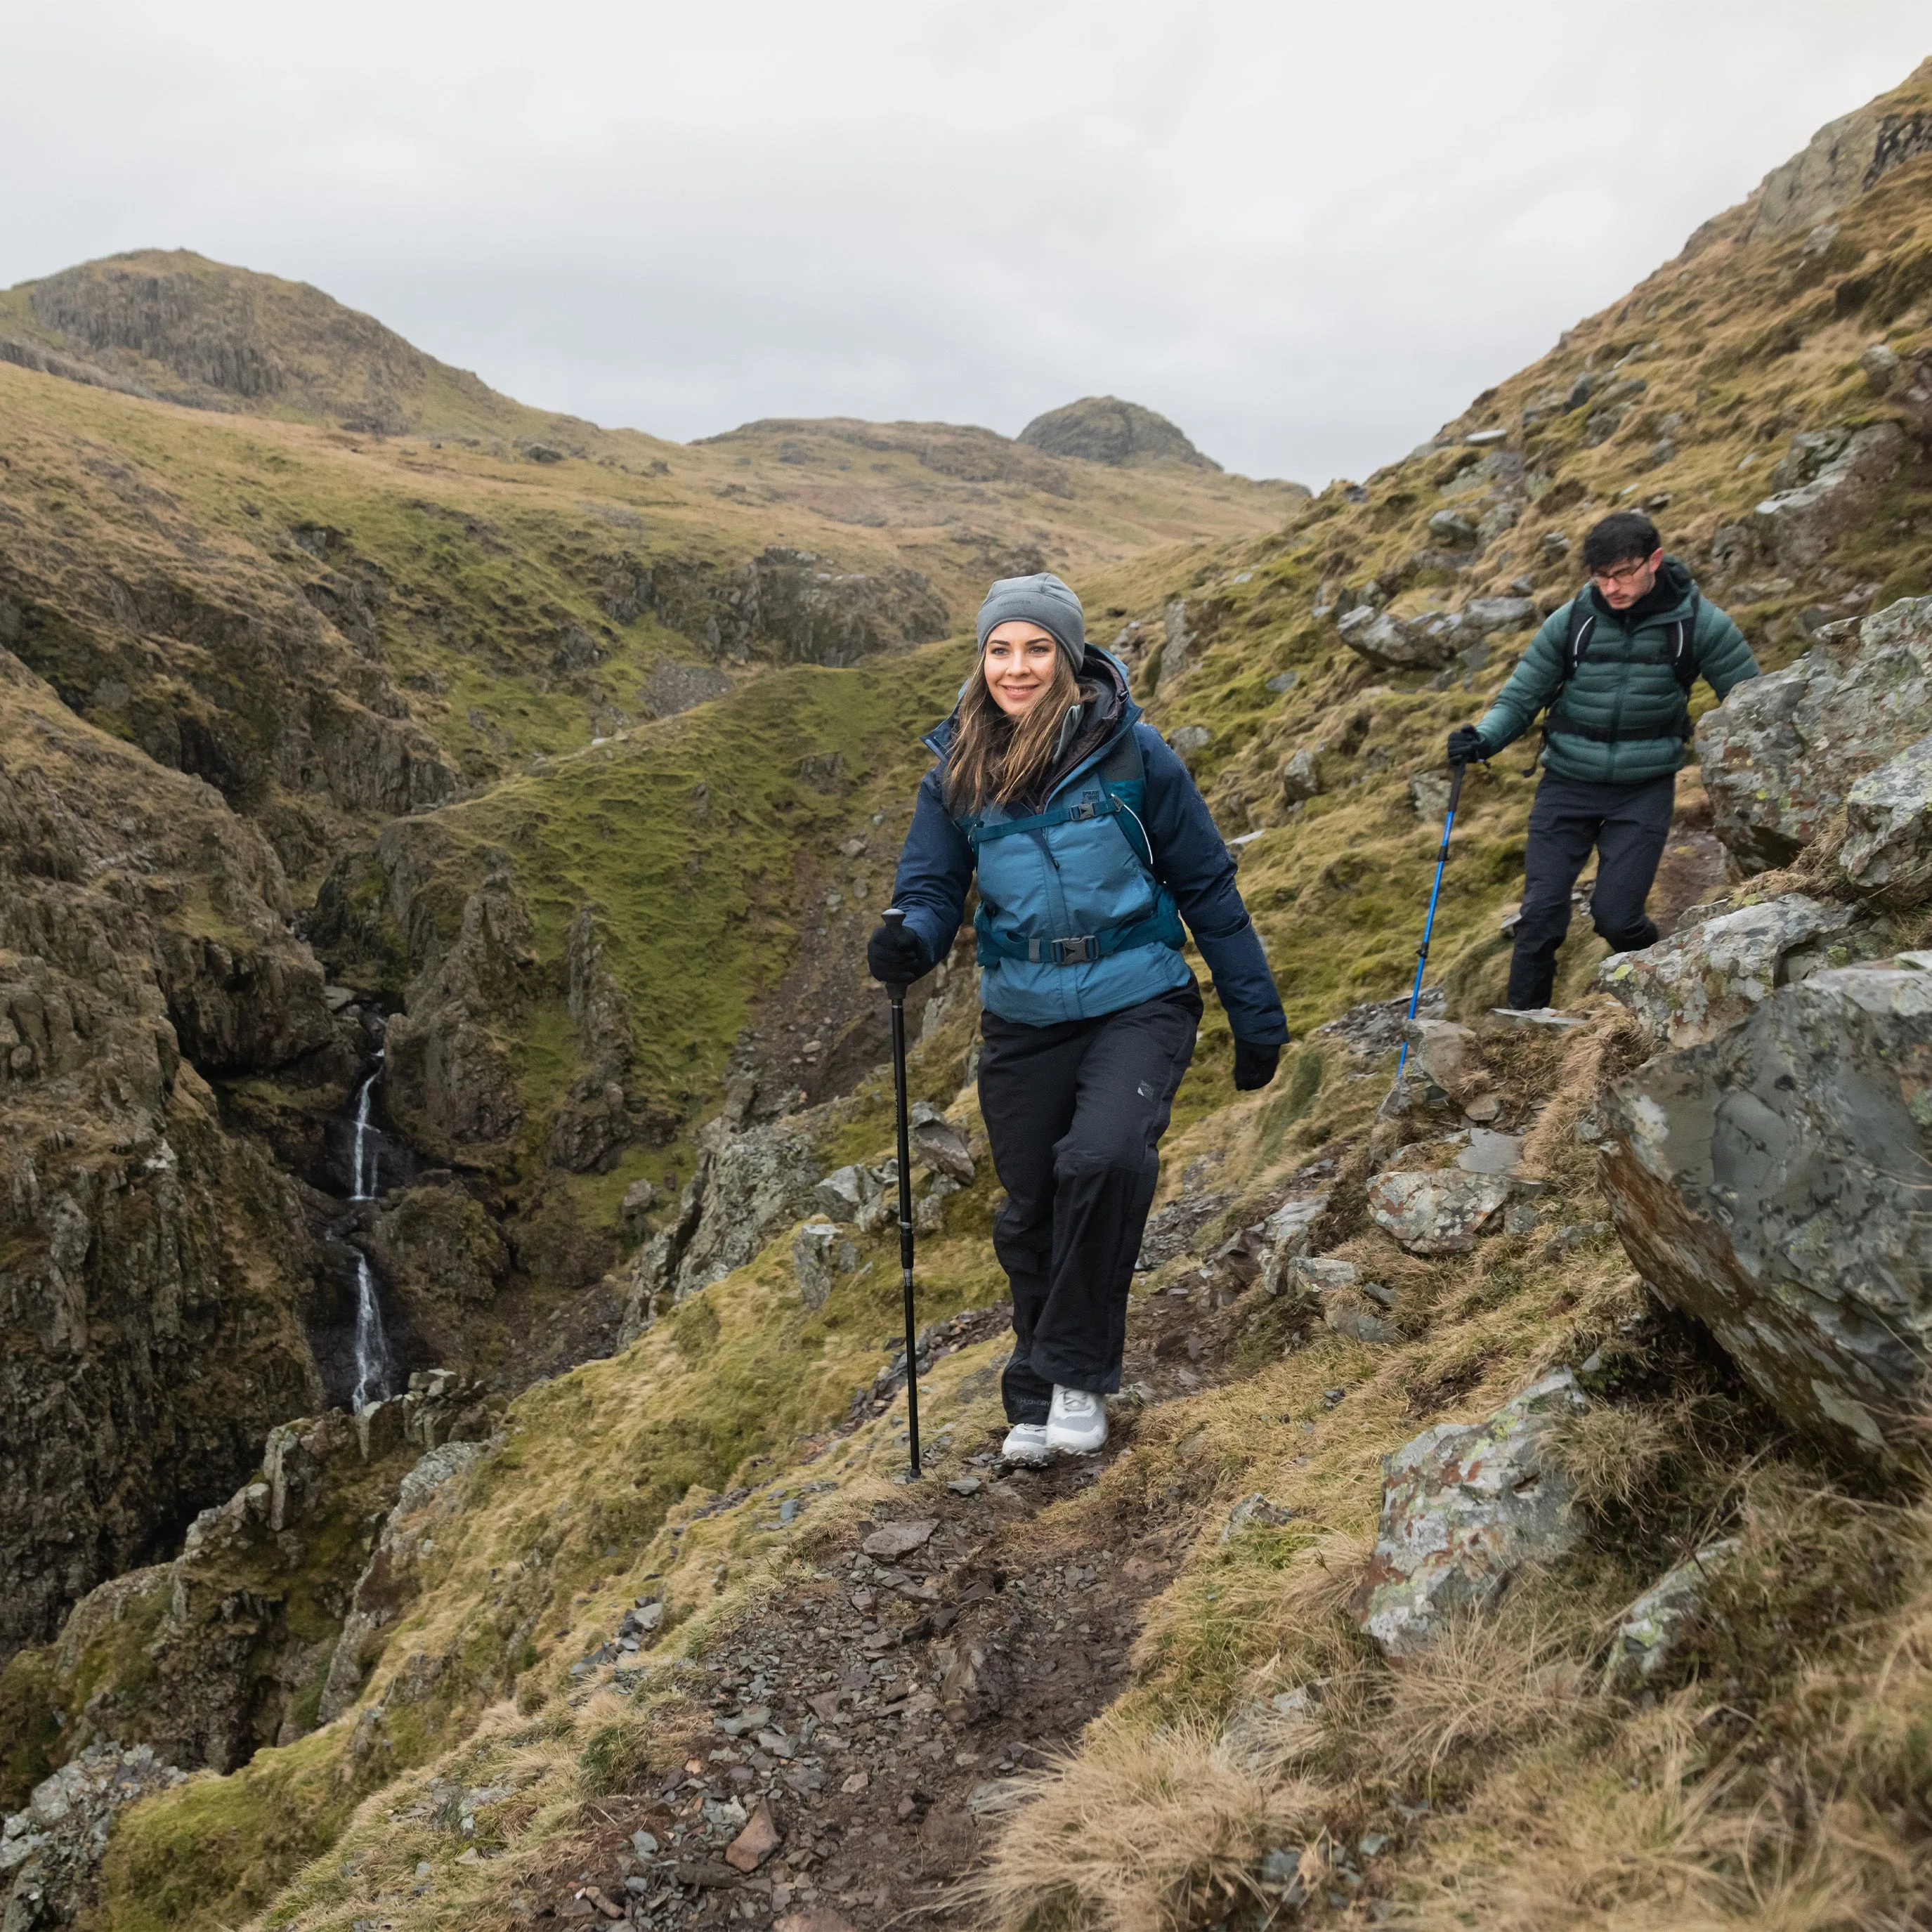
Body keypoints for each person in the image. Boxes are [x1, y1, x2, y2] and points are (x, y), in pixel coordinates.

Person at [869, 572, 1287, 1463]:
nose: (1015, 667)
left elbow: (1206, 882)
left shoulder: (1135, 755)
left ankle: (1073, 1378)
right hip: (1022, 1015)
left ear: (1066, 657)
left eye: (1034, 648)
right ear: (981, 659)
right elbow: (932, 886)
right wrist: (910, 934)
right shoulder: (956, 773)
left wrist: (1255, 1013)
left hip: (1136, 995)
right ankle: (1031, 1394)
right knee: (1030, 1211)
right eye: (998, 649)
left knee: (1102, 1158)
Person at [1447, 511, 1759, 1011]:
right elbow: (1520, 699)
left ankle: (1666, 993)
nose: (1611, 587)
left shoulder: (1700, 623)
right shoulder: (1572, 621)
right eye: (1601, 576)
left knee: (1615, 918)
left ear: (1654, 560)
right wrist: (1482, 739)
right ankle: (1523, 1034)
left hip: (1644, 789)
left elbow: (1752, 701)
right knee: (1539, 919)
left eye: (1624, 573)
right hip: (1566, 784)